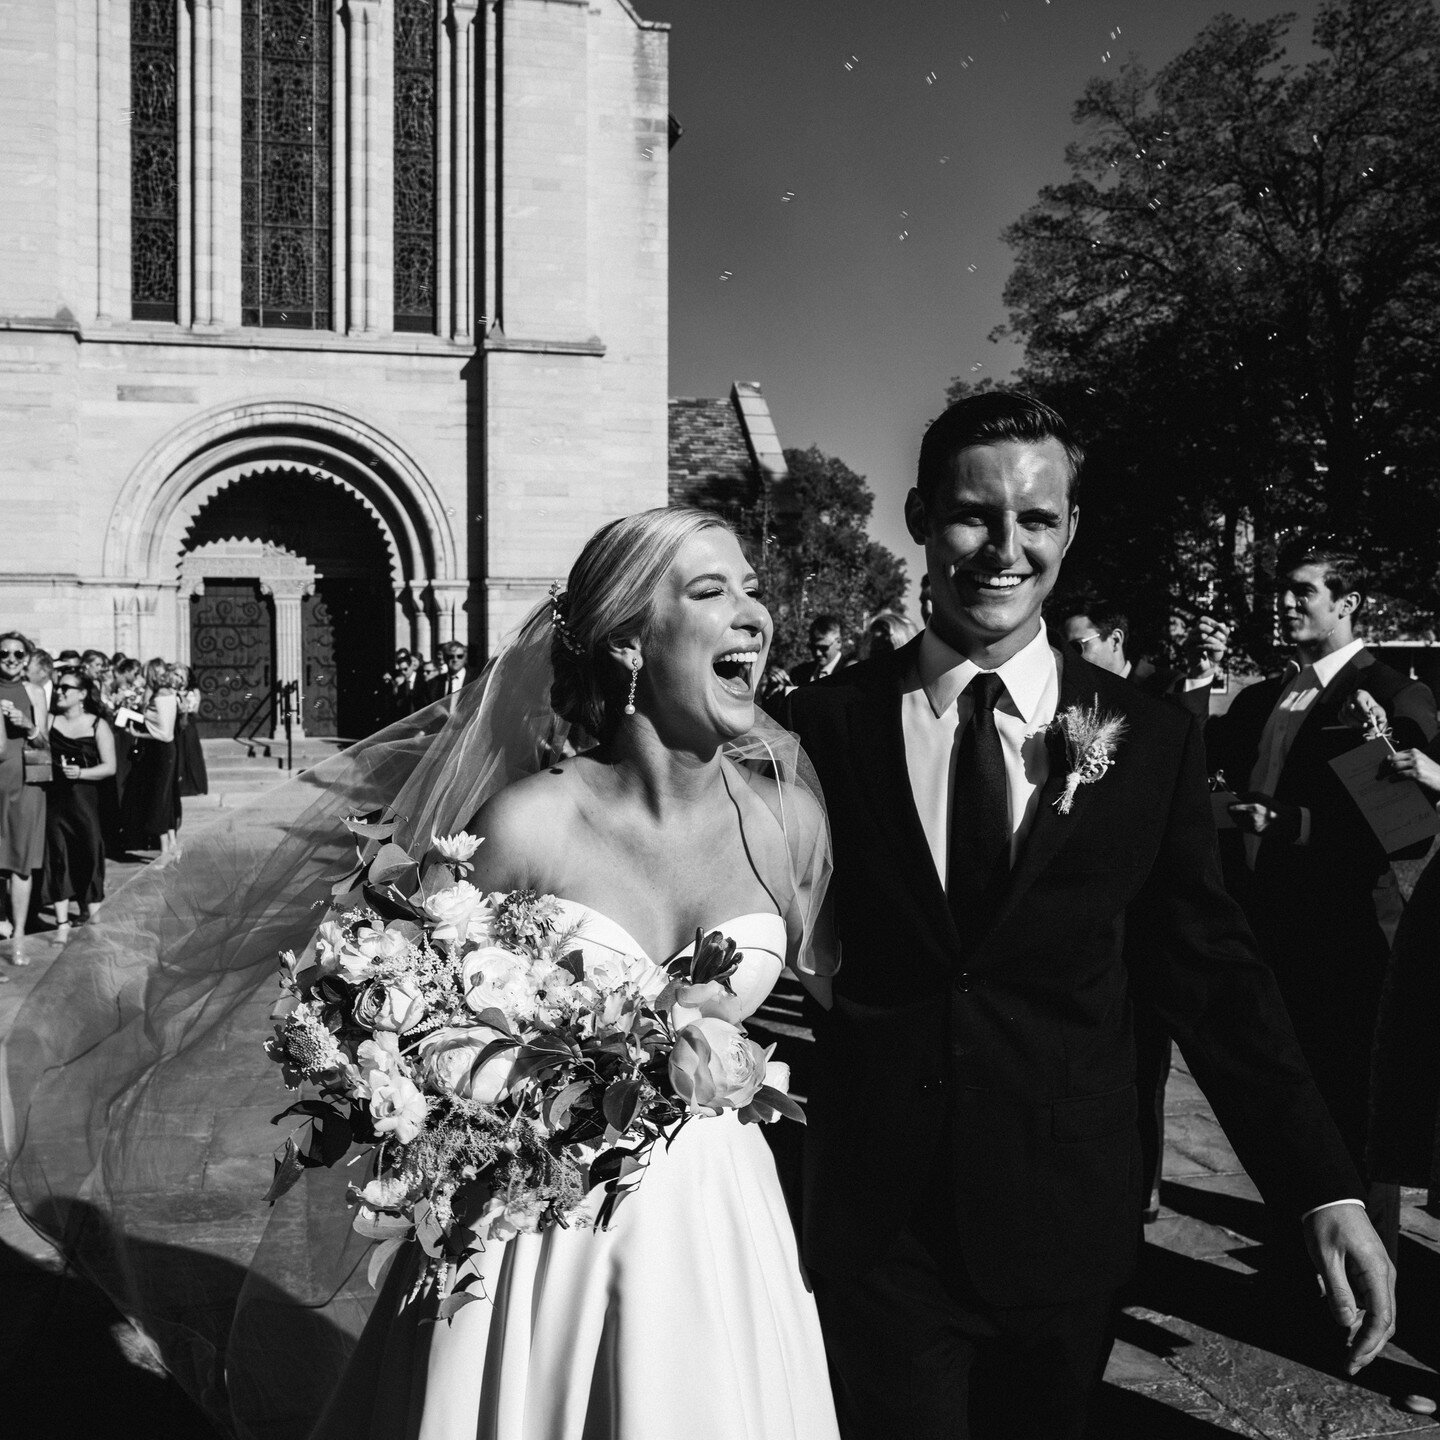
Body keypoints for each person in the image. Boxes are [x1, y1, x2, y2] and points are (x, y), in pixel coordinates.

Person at [784, 391, 1393, 1440]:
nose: (1004, 549)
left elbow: (1212, 975)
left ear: (1069, 530)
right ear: (922, 515)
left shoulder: (1147, 739)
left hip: (1067, 1223)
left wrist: (1320, 1185)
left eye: (1038, 520)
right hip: (880, 1227)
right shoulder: (823, 729)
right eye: (976, 515)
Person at [310, 506, 840, 1440]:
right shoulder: (528, 823)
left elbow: (850, 1005)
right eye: (712, 591)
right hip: (545, 1234)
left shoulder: (787, 823)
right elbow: (396, 1017)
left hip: (720, 1227)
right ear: (629, 640)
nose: (754, 613)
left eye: (752, 587)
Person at [1206, 547, 1437, 1269]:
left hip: (1346, 935)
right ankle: (1297, 1250)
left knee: (1350, 1106)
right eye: (1282, 591)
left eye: (1303, 592)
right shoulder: (1276, 695)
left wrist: (1289, 825)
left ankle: (1372, 1274)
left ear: (1348, 603)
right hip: (1268, 927)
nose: (1285, 603)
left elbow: (1408, 828)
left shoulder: (1392, 692)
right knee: (1287, 1101)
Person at [42, 671, 115, 935]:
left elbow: (110, 767)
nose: (59, 691)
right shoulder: (49, 720)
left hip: (84, 799)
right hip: (55, 799)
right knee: (57, 854)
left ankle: (92, 915)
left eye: (66, 688)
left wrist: (82, 773)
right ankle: (61, 921)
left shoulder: (97, 724)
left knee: (89, 852)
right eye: (58, 687)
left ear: (82, 694)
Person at [0, 631, 49, 967]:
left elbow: (44, 741)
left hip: (28, 780)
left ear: (27, 658)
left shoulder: (34, 692)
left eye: (19, 655)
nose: (12, 660)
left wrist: (28, 725)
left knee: (21, 859)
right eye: (4, 654)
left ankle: (18, 934)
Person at [119, 657, 182, 861]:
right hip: (159, 750)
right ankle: (172, 844)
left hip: (162, 751)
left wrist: (138, 734)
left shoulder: (163, 697)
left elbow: (165, 733)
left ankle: (165, 850)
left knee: (159, 799)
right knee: (166, 797)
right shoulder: (160, 694)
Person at [171, 664, 208, 798]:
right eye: (176, 675)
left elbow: (195, 709)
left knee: (190, 752)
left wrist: (185, 706)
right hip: (174, 724)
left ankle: (193, 784)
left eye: (181, 676)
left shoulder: (193, 692)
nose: (179, 678)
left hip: (188, 724)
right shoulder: (170, 691)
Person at [787, 614, 847, 687]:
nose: (817, 653)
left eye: (823, 648)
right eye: (813, 647)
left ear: (839, 642)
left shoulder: (850, 673)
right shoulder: (799, 673)